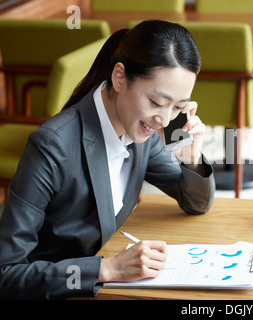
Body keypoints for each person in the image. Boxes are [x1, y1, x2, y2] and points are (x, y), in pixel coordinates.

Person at [0, 20, 215, 299]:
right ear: (119, 77)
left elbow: (195, 203)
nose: (164, 120)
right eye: (157, 102)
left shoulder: (142, 131)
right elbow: (6, 272)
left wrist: (191, 157)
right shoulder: (53, 145)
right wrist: (106, 269)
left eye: (178, 106)